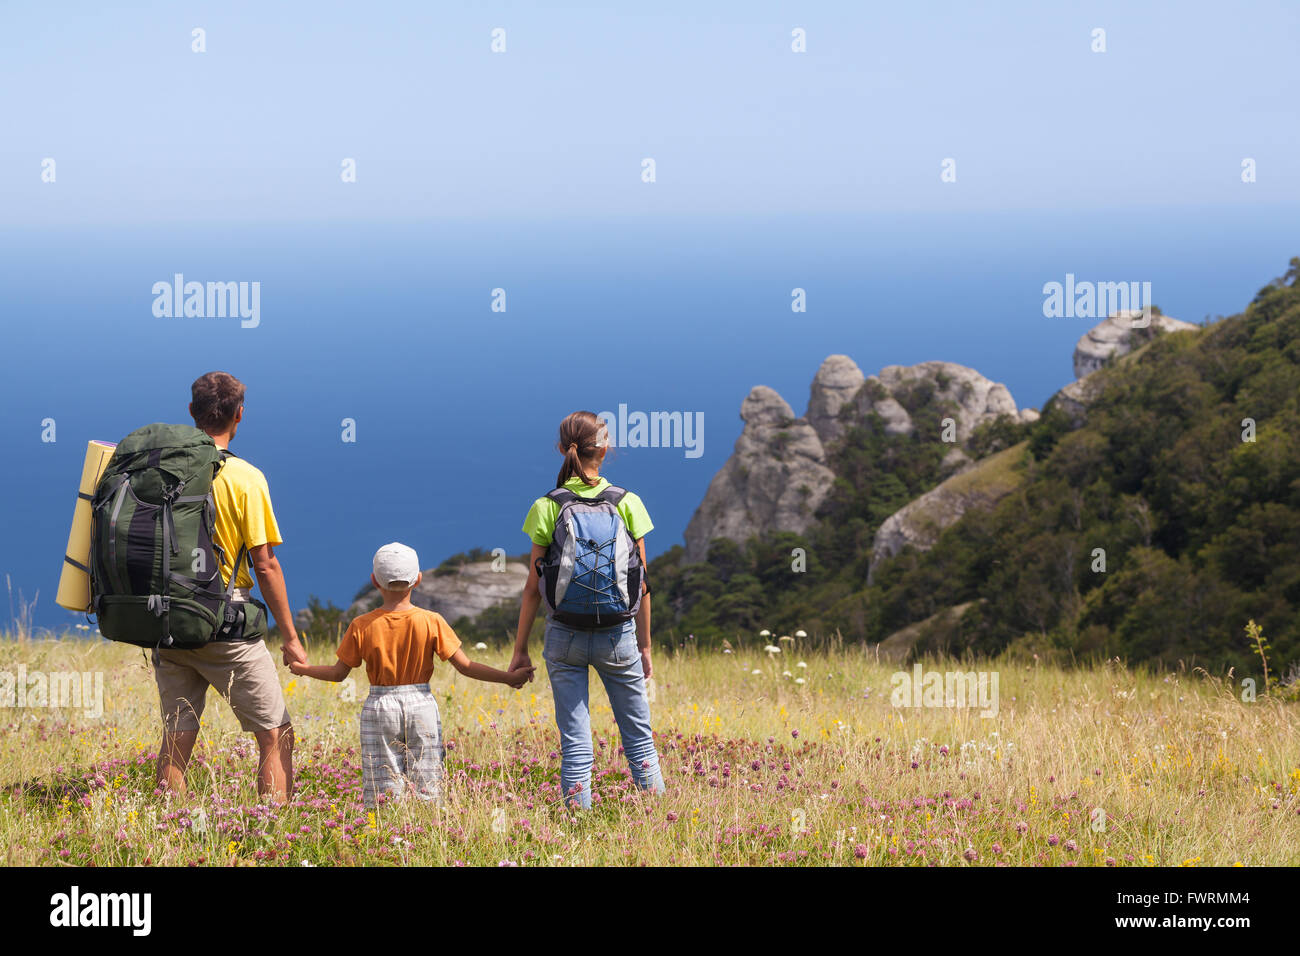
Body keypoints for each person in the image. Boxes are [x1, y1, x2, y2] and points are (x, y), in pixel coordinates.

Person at [153, 371, 307, 803]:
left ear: (191, 413)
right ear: (240, 414)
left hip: (165, 621)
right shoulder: (246, 478)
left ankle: (167, 831)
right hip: (224, 624)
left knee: (177, 736)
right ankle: (275, 835)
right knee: (276, 733)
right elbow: (265, 564)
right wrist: (291, 639)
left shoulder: (160, 471)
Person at [291, 542, 534, 808]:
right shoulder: (432, 621)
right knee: (427, 779)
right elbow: (465, 666)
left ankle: (387, 833)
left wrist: (302, 669)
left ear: (374, 581)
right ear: (417, 579)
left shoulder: (361, 625)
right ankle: (425, 826)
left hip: (380, 706)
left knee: (381, 782)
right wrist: (508, 678)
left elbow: (338, 674)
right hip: (421, 704)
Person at [510, 411, 665, 810]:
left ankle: (579, 825)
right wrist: (644, 646)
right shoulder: (628, 502)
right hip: (619, 636)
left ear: (563, 449)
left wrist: (520, 649)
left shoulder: (547, 506)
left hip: (563, 636)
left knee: (576, 739)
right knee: (638, 734)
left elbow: (532, 588)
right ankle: (658, 820)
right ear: (606, 448)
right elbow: (642, 584)